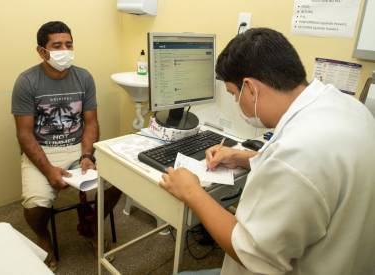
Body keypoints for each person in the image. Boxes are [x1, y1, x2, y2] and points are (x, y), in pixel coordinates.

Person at [160, 28, 375, 275]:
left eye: (233, 94)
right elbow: (311, 175)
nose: (235, 101)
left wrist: (192, 192)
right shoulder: (346, 106)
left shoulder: (298, 155)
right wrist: (244, 158)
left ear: (250, 88)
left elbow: (248, 251)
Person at [11, 21, 121, 269]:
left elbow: (91, 123)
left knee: (119, 181)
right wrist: (49, 170)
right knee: (35, 206)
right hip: (42, 150)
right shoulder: (26, 82)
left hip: (77, 147)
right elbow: (25, 135)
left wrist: (87, 155)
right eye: (57, 45)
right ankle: (43, 238)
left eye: (69, 45)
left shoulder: (84, 77)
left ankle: (92, 226)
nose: (65, 50)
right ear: (42, 51)